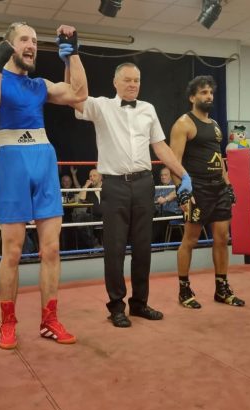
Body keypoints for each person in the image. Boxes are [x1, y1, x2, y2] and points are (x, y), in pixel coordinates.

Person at [0, 22, 87, 348]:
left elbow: (79, 94)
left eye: (36, 41)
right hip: (12, 162)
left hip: (43, 160)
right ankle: (8, 322)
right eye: (24, 39)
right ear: (9, 45)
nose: (32, 45)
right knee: (11, 251)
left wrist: (73, 55)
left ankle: (49, 319)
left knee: (51, 248)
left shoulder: (40, 85)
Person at [73, 62, 191, 328]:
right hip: (114, 185)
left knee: (142, 248)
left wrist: (184, 175)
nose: (133, 85)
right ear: (115, 82)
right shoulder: (101, 105)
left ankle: (139, 303)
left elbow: (160, 147)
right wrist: (72, 60)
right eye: (127, 80)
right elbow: (75, 96)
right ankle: (116, 306)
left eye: (136, 80)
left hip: (144, 183)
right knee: (114, 249)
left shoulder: (148, 109)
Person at [170, 75, 245, 309]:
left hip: (218, 188)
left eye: (210, 92)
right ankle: (184, 289)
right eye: (203, 92)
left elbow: (218, 158)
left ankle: (222, 288)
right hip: (197, 189)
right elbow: (174, 162)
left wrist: (228, 183)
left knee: (222, 238)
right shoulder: (183, 123)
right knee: (190, 240)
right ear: (192, 97)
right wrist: (182, 192)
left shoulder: (214, 125)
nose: (208, 96)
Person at [75, 168, 103, 248]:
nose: (91, 178)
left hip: (107, 216)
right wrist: (86, 186)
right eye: (90, 176)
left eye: (94, 175)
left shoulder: (107, 187)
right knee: (81, 219)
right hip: (93, 216)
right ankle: (95, 245)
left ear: (100, 177)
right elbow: (81, 199)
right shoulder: (89, 190)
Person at [153, 166, 180, 243]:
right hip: (161, 211)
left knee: (160, 217)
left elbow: (177, 192)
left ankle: (155, 243)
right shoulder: (159, 187)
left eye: (166, 175)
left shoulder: (176, 184)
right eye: (162, 175)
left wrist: (165, 199)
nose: (163, 177)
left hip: (174, 212)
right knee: (149, 215)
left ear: (171, 176)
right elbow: (155, 201)